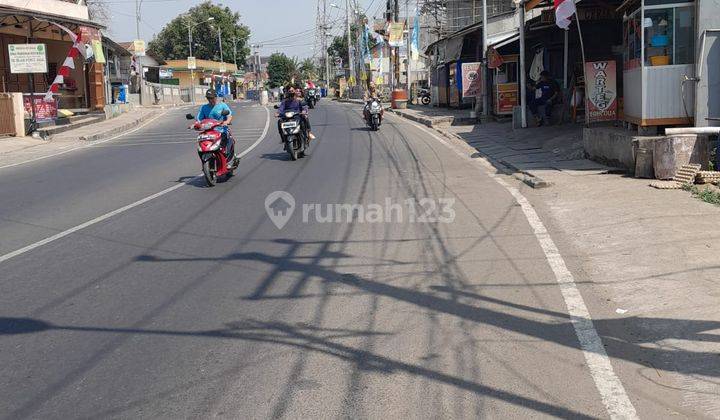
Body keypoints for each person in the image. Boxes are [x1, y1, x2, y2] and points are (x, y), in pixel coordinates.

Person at [191, 89, 235, 165]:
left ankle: (227, 160)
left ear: (216, 97)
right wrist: (194, 124)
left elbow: (229, 115)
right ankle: (204, 161)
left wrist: (226, 122)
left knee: (225, 140)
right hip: (208, 131)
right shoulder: (204, 108)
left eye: (212, 98)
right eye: (208, 98)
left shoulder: (222, 105)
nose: (210, 100)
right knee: (200, 142)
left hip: (221, 129)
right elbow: (199, 119)